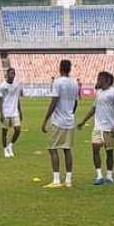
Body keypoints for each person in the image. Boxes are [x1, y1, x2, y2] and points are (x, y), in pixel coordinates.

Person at [78, 72, 114, 185]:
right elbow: (94, 108)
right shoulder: (98, 93)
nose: (98, 80)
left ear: (107, 80)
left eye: (100, 79)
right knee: (95, 149)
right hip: (98, 127)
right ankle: (99, 176)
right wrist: (83, 121)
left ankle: (109, 176)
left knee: (109, 153)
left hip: (109, 128)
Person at [41, 60, 79, 188]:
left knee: (53, 149)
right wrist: (71, 114)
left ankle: (56, 179)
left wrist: (46, 119)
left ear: (60, 68)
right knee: (67, 149)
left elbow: (54, 101)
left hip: (58, 121)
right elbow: (76, 102)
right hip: (70, 120)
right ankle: (68, 180)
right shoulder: (75, 83)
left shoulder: (57, 82)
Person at [0, 68, 23, 158]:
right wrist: (1, 114)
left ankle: (10, 146)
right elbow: (0, 100)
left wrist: (20, 111)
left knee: (18, 130)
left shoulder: (16, 86)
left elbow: (18, 99)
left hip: (14, 112)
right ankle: (5, 149)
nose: (13, 75)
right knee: (4, 132)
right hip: (6, 112)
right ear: (7, 74)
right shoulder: (2, 86)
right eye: (11, 73)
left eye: (14, 73)